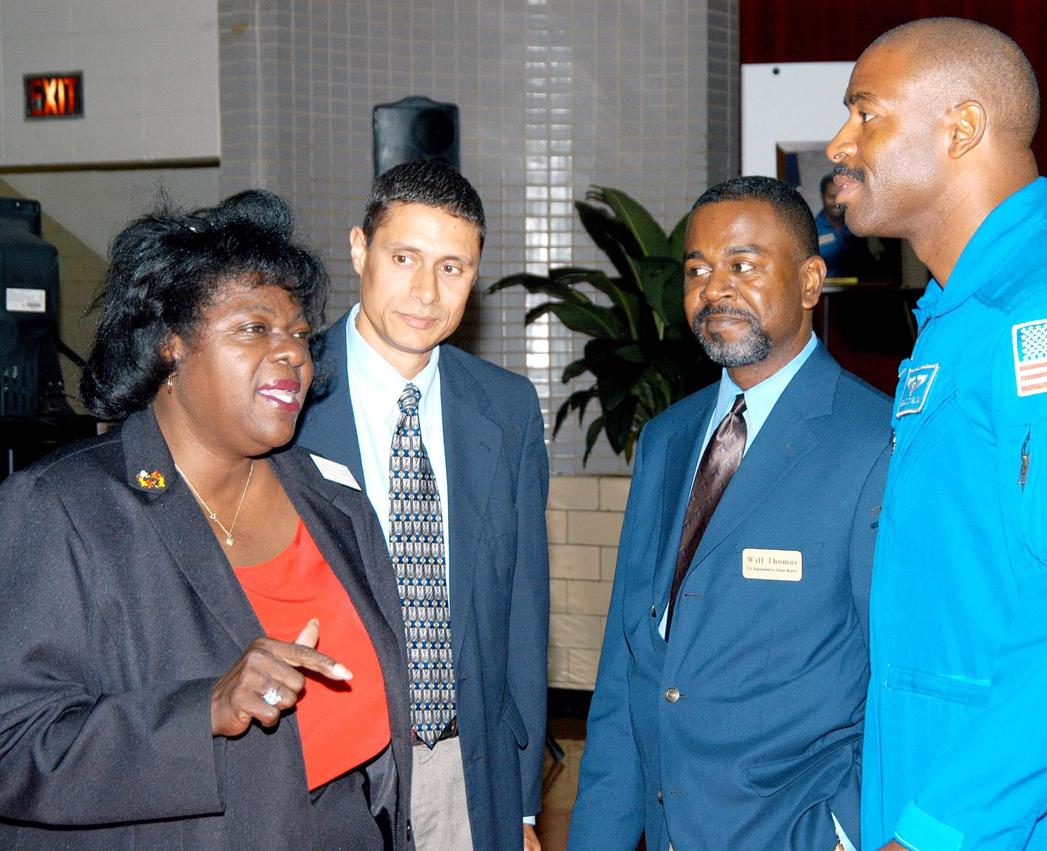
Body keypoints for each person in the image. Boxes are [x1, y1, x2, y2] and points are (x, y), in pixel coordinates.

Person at [826, 17, 1047, 850]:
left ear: (961, 129)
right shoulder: (965, 317)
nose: (841, 143)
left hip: (1041, 817)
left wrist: (940, 829)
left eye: (866, 112)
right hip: (941, 795)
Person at [0, 190, 414, 848]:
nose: (292, 354)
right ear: (170, 344)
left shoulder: (334, 501)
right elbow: (15, 742)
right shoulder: (64, 507)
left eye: (300, 333)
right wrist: (204, 711)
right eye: (255, 328)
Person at [568, 176, 891, 851]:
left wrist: (847, 831)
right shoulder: (667, 438)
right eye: (698, 269)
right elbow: (631, 663)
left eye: (743, 265)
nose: (715, 288)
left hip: (794, 830)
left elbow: (900, 669)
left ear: (809, 282)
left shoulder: (872, 440)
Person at [293, 160, 549, 851]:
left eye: (452, 267)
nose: (425, 291)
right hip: (325, 770)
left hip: (466, 773)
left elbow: (523, 612)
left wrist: (523, 804)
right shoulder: (286, 394)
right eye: (404, 256)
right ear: (359, 249)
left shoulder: (508, 408)